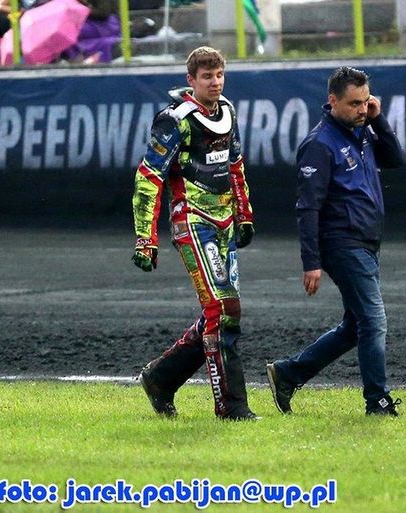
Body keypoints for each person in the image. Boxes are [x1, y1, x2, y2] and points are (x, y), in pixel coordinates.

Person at [265, 66, 406, 417]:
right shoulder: (319, 144)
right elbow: (307, 207)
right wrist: (311, 261)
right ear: (332, 101)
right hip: (341, 242)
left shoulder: (362, 131)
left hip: (366, 241)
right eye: (354, 103)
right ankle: (378, 401)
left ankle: (288, 373)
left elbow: (396, 159)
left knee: (355, 326)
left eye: (365, 102)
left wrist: (378, 119)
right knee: (373, 320)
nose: (361, 109)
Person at [132, 46, 258, 421]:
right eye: (207, 77)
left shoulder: (229, 112)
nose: (215, 82)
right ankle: (231, 407)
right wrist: (145, 238)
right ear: (192, 80)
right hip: (192, 220)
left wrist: (244, 214)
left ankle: (160, 379)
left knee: (222, 312)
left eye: (219, 75)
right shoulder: (175, 121)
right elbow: (149, 177)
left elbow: (235, 166)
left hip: (225, 223)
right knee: (223, 309)